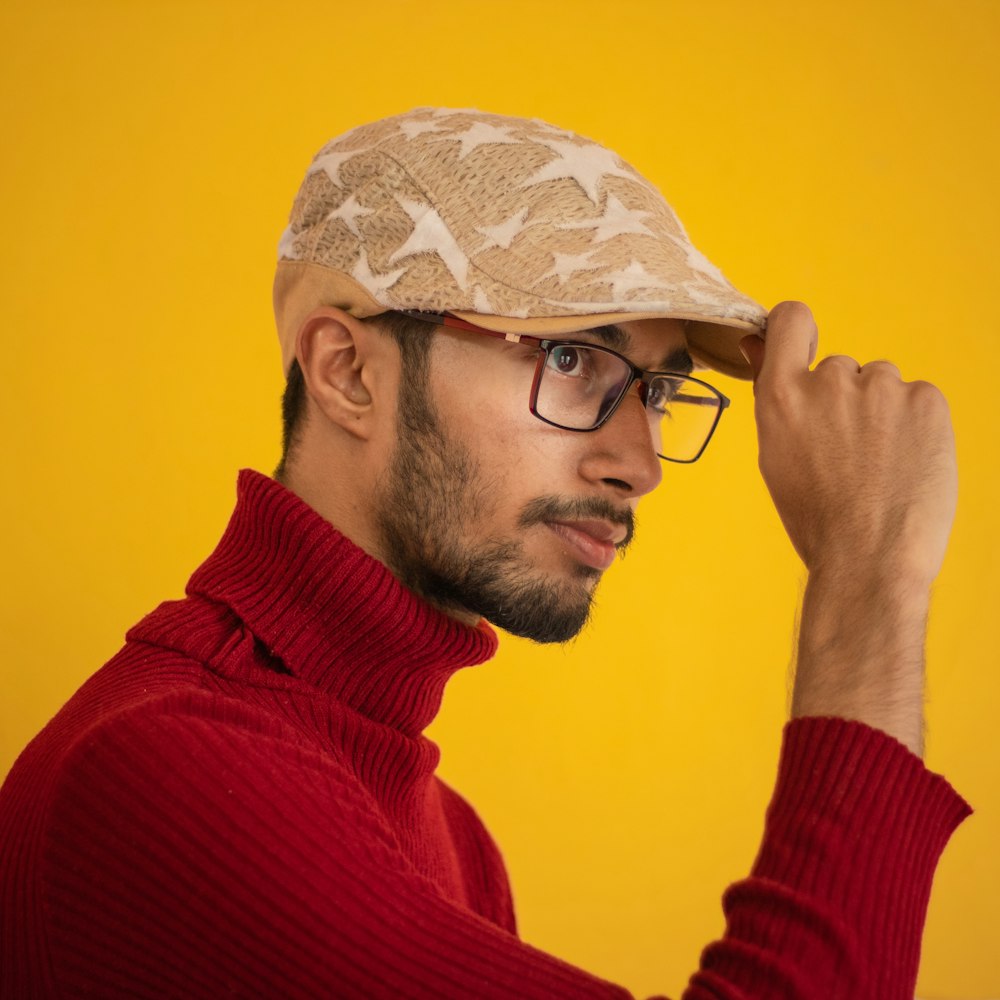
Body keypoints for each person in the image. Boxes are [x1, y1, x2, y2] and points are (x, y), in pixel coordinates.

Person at [0, 107, 969, 999]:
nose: (636, 462)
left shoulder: (448, 837)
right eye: (570, 357)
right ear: (347, 371)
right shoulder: (163, 772)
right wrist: (869, 578)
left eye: (658, 393)